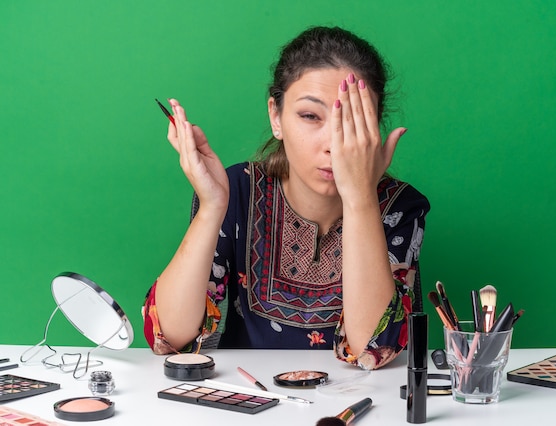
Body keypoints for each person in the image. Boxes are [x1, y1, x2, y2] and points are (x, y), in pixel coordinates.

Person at [142, 26, 430, 370]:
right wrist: (212, 206)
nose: (331, 145)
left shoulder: (401, 207)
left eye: (352, 122)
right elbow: (168, 337)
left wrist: (360, 198)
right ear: (276, 117)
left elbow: (372, 349)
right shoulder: (238, 189)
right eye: (310, 116)